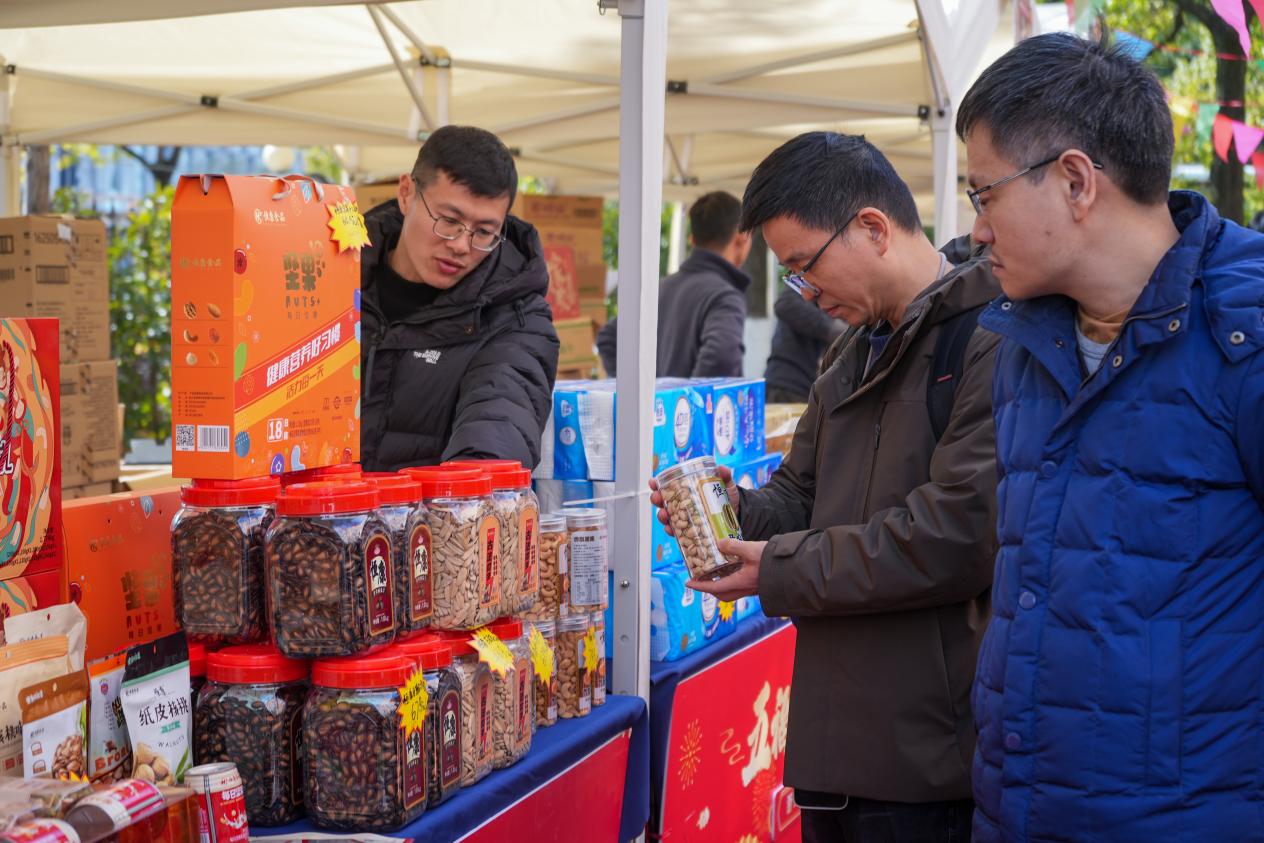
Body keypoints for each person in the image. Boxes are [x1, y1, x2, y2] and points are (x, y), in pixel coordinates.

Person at [957, 33, 1264, 841]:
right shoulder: (1023, 340)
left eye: (984, 195)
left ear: (1075, 181)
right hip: (1017, 804)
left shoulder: (1245, 331)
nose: (977, 229)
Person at [655, 131, 1002, 842]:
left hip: (928, 759)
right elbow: (800, 497)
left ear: (872, 228)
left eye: (803, 266)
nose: (806, 293)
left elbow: (952, 538)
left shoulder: (986, 340)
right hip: (832, 743)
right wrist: (736, 510)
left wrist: (776, 568)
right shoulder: (848, 352)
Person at [359, 125, 559, 472]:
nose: (461, 245)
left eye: (484, 232)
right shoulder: (331, 276)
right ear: (406, 193)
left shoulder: (516, 317)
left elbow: (499, 421)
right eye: (449, 220)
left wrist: (466, 494)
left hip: (433, 509)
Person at [596, 191, 752, 377]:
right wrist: (691, 395)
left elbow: (608, 338)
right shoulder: (724, 296)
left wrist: (638, 390)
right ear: (742, 237)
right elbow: (721, 357)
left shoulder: (659, 289)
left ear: (692, 240)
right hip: (693, 398)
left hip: (658, 397)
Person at [764, 284, 846, 403]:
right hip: (788, 386)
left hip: (818, 391)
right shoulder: (809, 278)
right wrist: (836, 330)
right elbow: (785, 304)